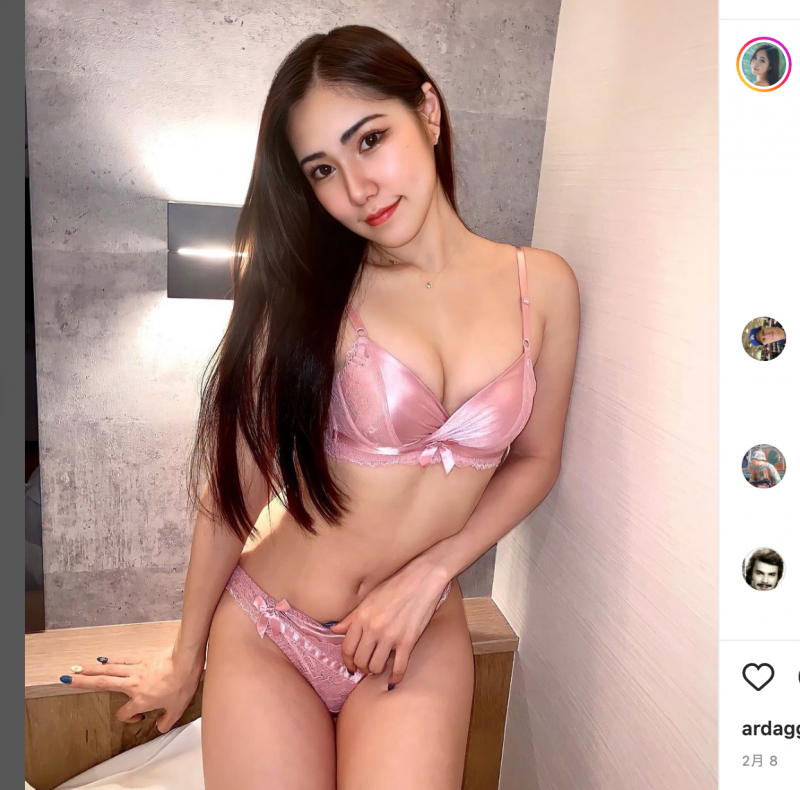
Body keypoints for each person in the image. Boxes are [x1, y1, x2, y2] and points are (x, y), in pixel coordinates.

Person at [60, 25, 579, 788]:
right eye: (324, 169)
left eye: (371, 139)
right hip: (271, 631)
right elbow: (233, 493)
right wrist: (183, 657)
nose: (358, 188)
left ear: (428, 113)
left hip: (413, 631)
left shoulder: (543, 286)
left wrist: (431, 572)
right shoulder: (306, 297)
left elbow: (536, 459)